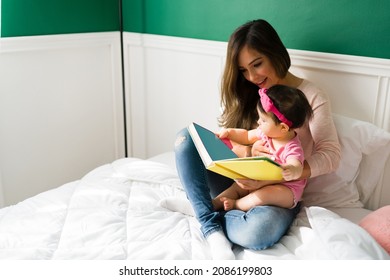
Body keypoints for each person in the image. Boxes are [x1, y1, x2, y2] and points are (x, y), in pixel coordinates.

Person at [162, 19, 341, 260]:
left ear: (275, 54)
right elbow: (239, 137)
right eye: (244, 70)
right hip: (237, 179)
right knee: (186, 137)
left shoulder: (311, 96)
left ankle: (203, 207)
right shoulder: (251, 93)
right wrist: (248, 152)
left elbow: (331, 155)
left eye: (257, 65)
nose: (252, 76)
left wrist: (285, 173)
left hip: (276, 190)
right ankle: (211, 227)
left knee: (258, 232)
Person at [212, 85, 313, 212]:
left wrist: (292, 169)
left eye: (264, 120)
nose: (258, 122)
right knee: (237, 186)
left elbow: (296, 165)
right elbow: (246, 135)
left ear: (283, 128)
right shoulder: (266, 133)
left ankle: (236, 204)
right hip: (258, 179)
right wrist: (229, 132)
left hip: (285, 189)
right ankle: (215, 203)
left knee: (266, 194)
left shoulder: (292, 147)